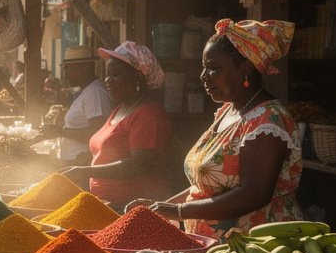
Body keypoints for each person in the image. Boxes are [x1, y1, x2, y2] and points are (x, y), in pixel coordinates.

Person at [127, 19, 302, 239]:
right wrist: (160, 207)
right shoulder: (228, 112)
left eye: (214, 68)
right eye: (204, 67)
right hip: (215, 245)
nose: (203, 76)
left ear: (246, 68)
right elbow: (206, 189)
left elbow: (254, 195)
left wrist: (177, 212)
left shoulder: (267, 121)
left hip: (255, 246)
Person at [61, 42, 173, 209]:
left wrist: (85, 171)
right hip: (109, 206)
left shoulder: (149, 114)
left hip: (133, 209)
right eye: (107, 74)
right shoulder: (120, 109)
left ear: (137, 77)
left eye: (116, 74)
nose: (108, 80)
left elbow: (140, 164)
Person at [43, 45, 113, 166]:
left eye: (69, 69)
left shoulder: (95, 92)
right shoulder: (88, 91)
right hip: (75, 164)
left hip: (83, 165)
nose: (66, 74)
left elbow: (98, 132)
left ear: (85, 67)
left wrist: (61, 132)